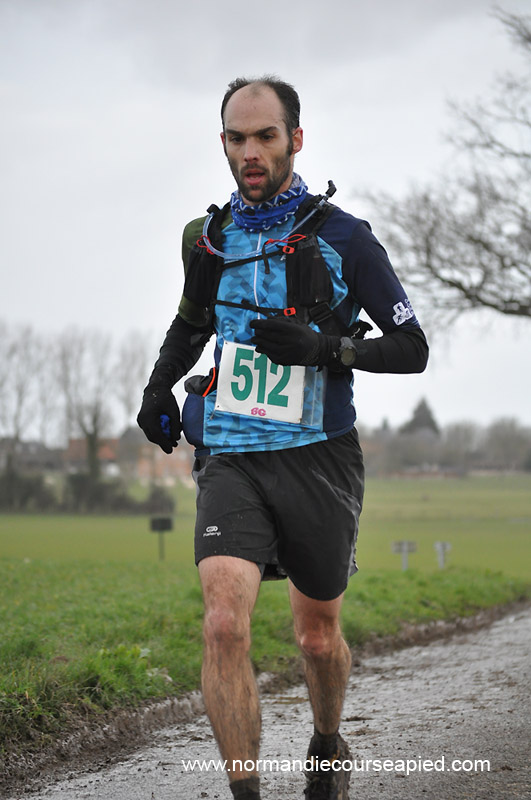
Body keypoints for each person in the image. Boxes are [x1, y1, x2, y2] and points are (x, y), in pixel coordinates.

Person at [137, 75, 428, 800]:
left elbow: (412, 347)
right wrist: (157, 385)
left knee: (316, 638)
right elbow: (192, 323)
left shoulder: (344, 237)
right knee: (223, 625)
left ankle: (327, 742)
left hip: (317, 456)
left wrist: (326, 349)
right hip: (230, 454)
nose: (251, 152)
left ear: (295, 139)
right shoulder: (206, 238)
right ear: (223, 143)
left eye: (265, 136)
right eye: (237, 138)